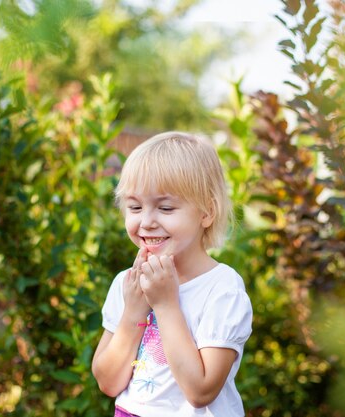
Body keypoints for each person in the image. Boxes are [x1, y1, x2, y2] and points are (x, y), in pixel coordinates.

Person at [92, 131, 253, 417]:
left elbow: (200, 391)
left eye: (165, 207)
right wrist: (133, 312)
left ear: (206, 212)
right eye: (135, 207)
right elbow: (108, 381)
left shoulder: (221, 288)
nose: (147, 221)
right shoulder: (127, 284)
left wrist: (165, 304)